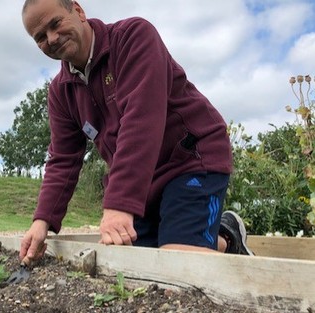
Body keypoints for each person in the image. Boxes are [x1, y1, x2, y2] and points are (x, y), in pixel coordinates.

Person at [19, 0, 254, 263]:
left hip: (190, 160)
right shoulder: (61, 92)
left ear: (78, 11)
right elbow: (63, 159)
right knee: (135, 260)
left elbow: (142, 119)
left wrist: (119, 205)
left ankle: (214, 240)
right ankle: (226, 237)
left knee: (176, 262)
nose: (51, 38)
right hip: (145, 180)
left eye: (55, 23)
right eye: (40, 37)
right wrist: (42, 221)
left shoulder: (133, 38)